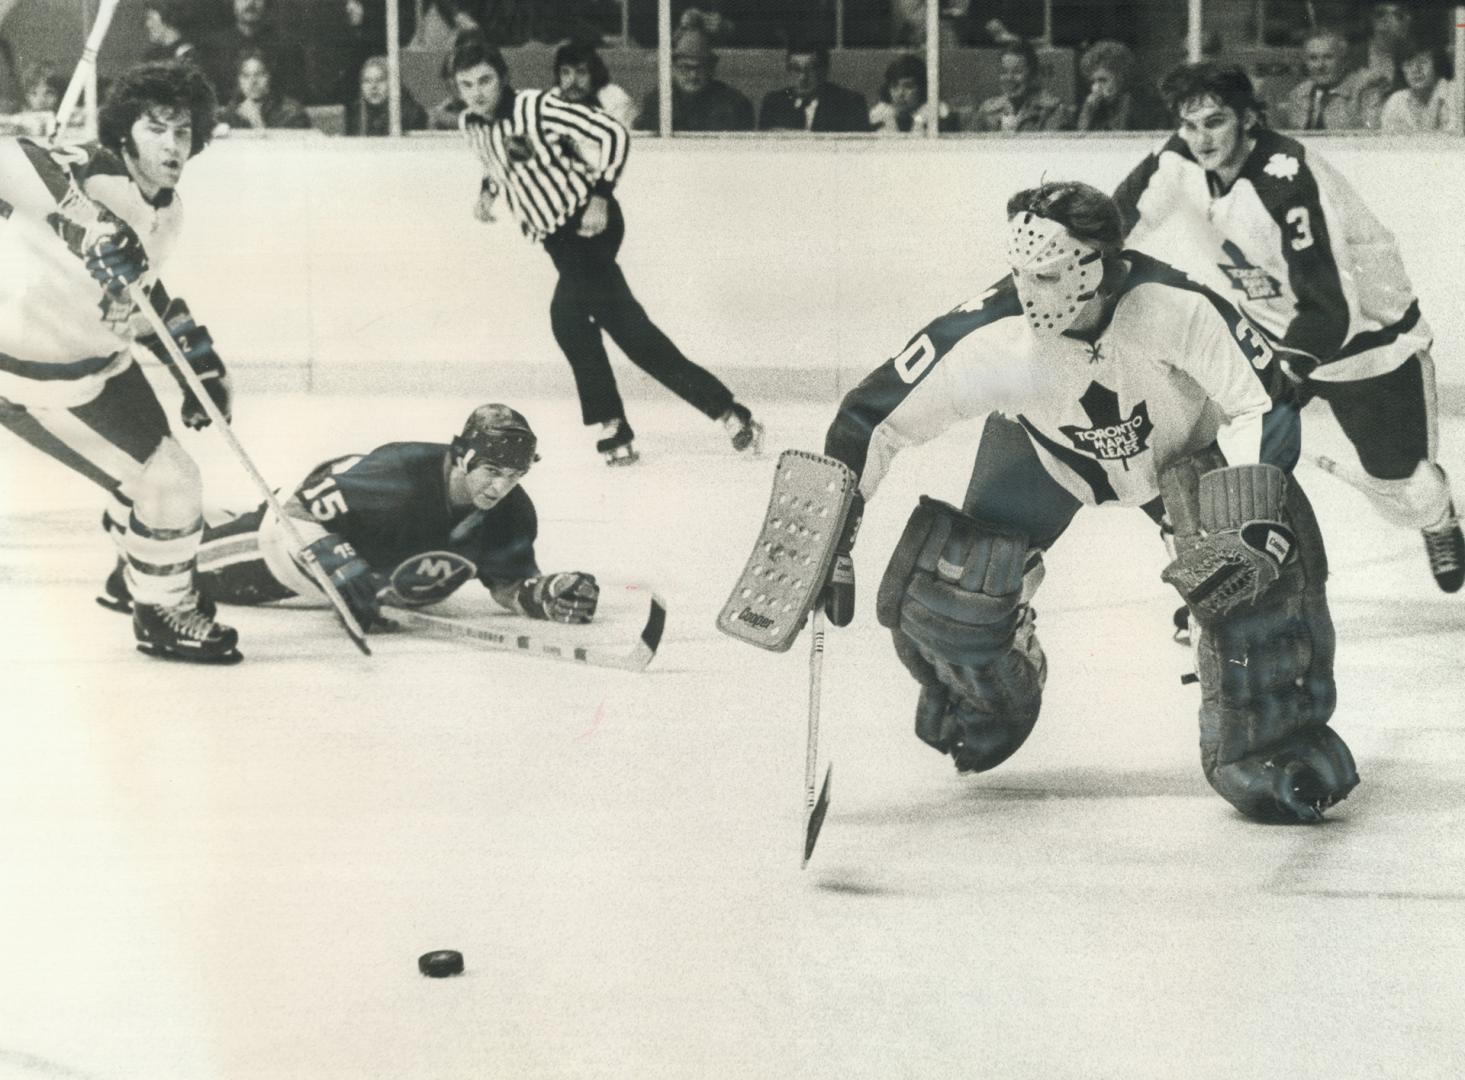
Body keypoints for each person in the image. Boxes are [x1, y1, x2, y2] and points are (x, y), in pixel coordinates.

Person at [816, 179, 1355, 825]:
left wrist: (1250, 519)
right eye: (1019, 273)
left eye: (1045, 275)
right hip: (1048, 461)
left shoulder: (1173, 303)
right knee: (950, 599)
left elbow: (1260, 399)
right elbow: (870, 419)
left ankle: (1276, 744)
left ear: (1099, 265)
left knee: (1250, 592)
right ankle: (990, 694)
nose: (1025, 293)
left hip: (1180, 455)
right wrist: (833, 532)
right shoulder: (990, 333)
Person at [1113, 62, 1462, 593]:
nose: (1200, 138)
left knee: (1404, 487)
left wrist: (1286, 376)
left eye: (1215, 122)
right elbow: (1114, 220)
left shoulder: (1289, 179)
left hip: (1368, 345)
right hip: (1271, 337)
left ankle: (1439, 519)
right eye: (1190, 125)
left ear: (1249, 119)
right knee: (1212, 446)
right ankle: (1227, 578)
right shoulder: (1179, 158)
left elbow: (1329, 307)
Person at [0, 60, 241, 663]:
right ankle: (161, 611)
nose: (171, 144)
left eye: (182, 132)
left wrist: (193, 358)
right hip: (36, 381)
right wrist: (86, 224)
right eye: (155, 129)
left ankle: (137, 572)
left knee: (158, 482)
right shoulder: (91, 172)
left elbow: (139, 291)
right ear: (125, 132)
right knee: (172, 484)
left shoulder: (168, 207)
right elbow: (13, 158)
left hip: (102, 367)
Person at [452, 35, 762, 465]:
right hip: (557, 243)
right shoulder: (470, 124)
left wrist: (600, 196)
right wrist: (486, 195)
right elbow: (498, 165)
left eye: (485, 80)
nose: (477, 92)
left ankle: (613, 425)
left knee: (568, 318)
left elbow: (612, 133)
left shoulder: (537, 107)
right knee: (625, 329)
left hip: (590, 224)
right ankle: (730, 413)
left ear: (503, 78)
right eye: (466, 85)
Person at [182, 404, 601, 630]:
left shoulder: (514, 511)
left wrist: (543, 594)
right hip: (288, 547)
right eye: (491, 471)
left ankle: (214, 514)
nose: (500, 488)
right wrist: (336, 558)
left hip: (348, 530)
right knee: (182, 568)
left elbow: (507, 583)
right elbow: (297, 512)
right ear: (461, 458)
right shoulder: (400, 473)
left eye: (514, 475)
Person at [634, 25, 754, 133]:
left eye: (700, 68)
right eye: (685, 67)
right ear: (673, 68)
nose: (693, 75)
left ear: (711, 69)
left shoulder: (734, 105)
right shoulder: (657, 102)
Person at [198, 0, 308, 110]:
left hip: (276, 123)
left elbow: (295, 99)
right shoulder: (213, 48)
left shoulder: (287, 47)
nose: (250, 2)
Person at [1280, 26, 1390, 130]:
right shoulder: (1299, 94)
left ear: (1343, 60)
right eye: (1313, 58)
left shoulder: (1364, 90)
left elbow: (1372, 138)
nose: (1320, 65)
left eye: (1328, 57)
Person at [758, 40, 869, 133]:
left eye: (810, 70)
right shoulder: (774, 103)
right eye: (796, 69)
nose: (803, 77)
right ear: (788, 71)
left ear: (824, 71)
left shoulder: (850, 104)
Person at [971, 40, 1072, 133]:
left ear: (1032, 75)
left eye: (1017, 71)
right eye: (1004, 72)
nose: (1009, 78)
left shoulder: (1052, 110)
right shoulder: (987, 111)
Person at [1075, 40, 1170, 131]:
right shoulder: (1100, 107)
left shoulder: (1143, 104)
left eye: (1103, 80)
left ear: (1121, 77)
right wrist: (1088, 112)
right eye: (1093, 82)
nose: (1095, 88)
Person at [548, 39, 636, 131]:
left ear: (594, 75)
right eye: (565, 73)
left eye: (581, 72)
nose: (572, 81)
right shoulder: (554, 97)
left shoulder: (614, 98)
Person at [219, 49, 312, 131]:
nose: (252, 81)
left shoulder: (292, 113)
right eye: (245, 75)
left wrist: (256, 122)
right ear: (238, 80)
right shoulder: (232, 111)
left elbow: (288, 150)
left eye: (259, 74)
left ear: (270, 77)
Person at [1379, 36, 1457, 134]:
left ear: (1437, 63)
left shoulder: (1455, 94)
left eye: (1423, 61)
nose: (1415, 70)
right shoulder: (1396, 102)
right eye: (1409, 64)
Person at [869, 53, 955, 135]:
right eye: (894, 86)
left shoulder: (939, 120)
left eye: (908, 86)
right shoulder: (878, 119)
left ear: (922, 89)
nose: (900, 94)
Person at [345, 55, 429, 136]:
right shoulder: (354, 115)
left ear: (393, 83)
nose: (373, 86)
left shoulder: (411, 115)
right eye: (367, 81)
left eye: (380, 80)